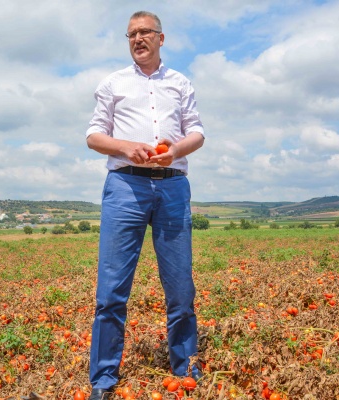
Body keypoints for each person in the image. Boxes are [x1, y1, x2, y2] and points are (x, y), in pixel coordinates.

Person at [85, 10, 205, 400]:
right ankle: (103, 380)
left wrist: (175, 151)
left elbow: (197, 132)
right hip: (125, 187)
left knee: (180, 287)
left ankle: (185, 367)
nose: (138, 39)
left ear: (161, 37)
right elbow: (93, 135)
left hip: (172, 186)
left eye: (145, 33)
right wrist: (125, 147)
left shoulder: (180, 82)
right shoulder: (113, 83)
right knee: (111, 291)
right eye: (131, 34)